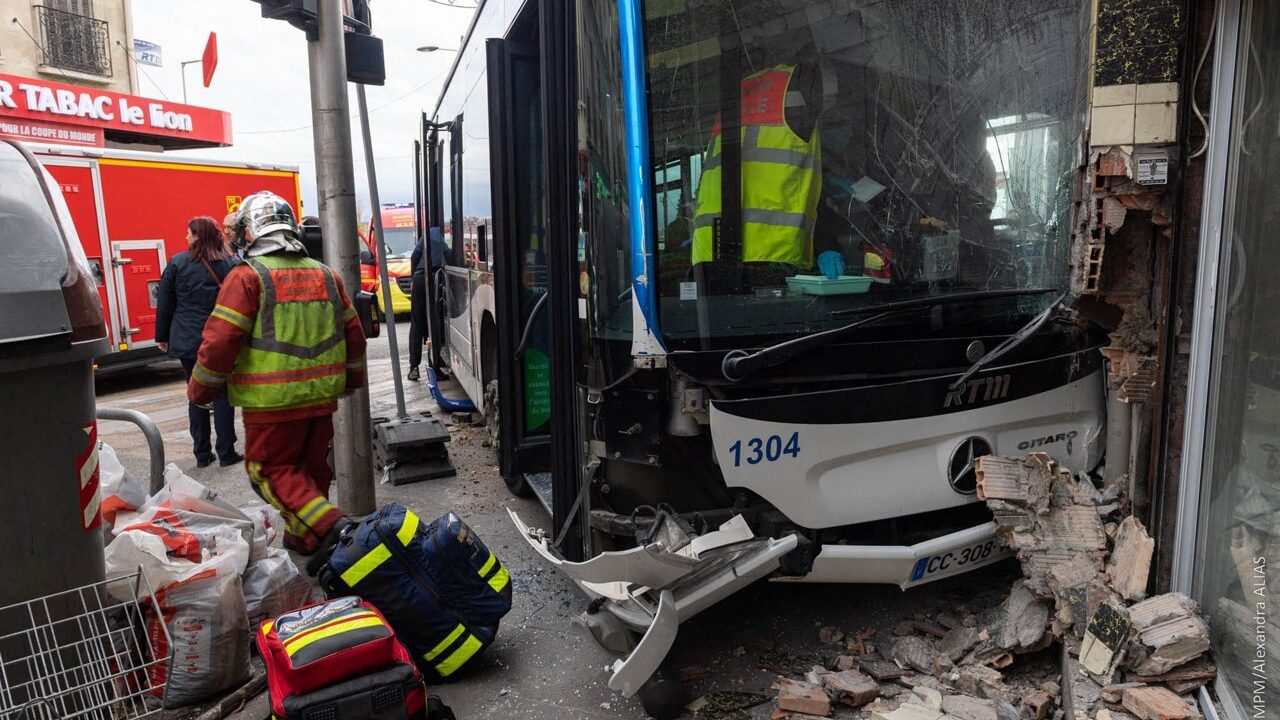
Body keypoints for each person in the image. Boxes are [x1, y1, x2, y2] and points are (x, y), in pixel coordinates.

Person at [188, 191, 366, 573]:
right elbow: (355, 336)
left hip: (271, 402)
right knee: (309, 469)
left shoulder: (248, 277)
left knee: (268, 469)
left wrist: (201, 390)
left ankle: (332, 527)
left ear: (251, 232)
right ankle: (307, 539)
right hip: (321, 398)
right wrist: (351, 382)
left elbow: (220, 340)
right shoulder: (326, 275)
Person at [691, 45, 846, 281]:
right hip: (772, 258)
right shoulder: (800, 83)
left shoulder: (731, 92)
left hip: (708, 255)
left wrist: (825, 243)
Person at [156, 217, 243, 468]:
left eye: (188, 233)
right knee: (223, 394)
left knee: (196, 393)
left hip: (188, 338)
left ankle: (202, 454)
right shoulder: (231, 263)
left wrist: (163, 336)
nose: (186, 237)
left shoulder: (177, 263)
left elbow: (165, 303)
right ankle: (227, 451)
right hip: (221, 338)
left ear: (197, 237)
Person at [406, 226, 453, 381]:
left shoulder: (425, 237)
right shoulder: (439, 237)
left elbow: (414, 256)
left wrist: (413, 278)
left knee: (416, 324)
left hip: (419, 279)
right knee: (435, 323)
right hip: (435, 280)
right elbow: (448, 255)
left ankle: (414, 368)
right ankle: (435, 367)